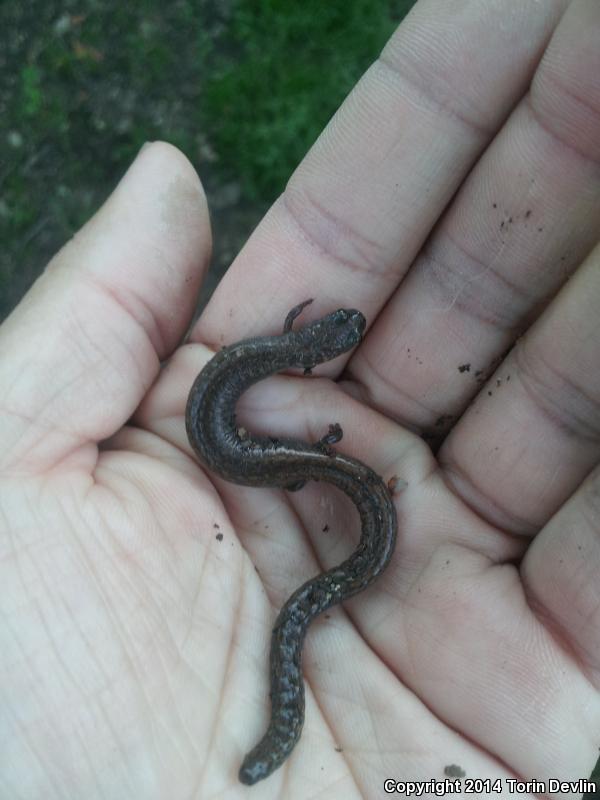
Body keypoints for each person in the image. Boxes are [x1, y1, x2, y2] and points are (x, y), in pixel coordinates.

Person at [1, 0, 598, 796]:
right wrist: (300, 456)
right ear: (318, 344)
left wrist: (299, 448)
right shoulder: (292, 363)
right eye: (333, 332)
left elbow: (288, 389)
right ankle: (276, 728)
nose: (332, 334)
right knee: (304, 475)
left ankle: (281, 715)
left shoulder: (289, 347)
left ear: (311, 340)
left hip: (254, 447)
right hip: (251, 452)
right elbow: (291, 424)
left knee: (307, 476)